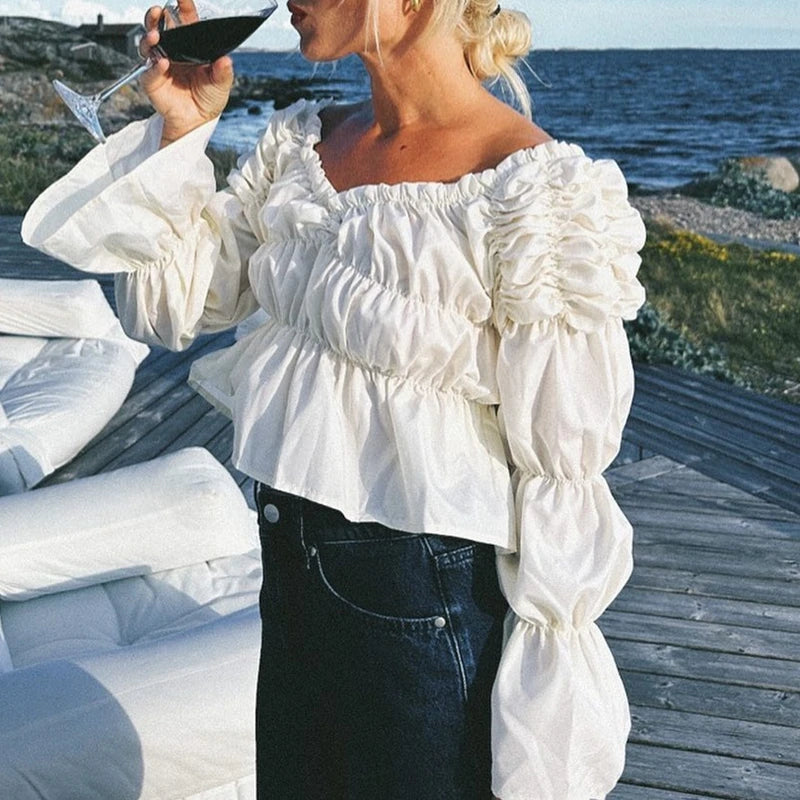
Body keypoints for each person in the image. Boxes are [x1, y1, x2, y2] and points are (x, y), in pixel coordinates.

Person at [22, 0, 647, 797]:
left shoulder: (536, 193)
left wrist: (546, 717)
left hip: (425, 602)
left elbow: (565, 466)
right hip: (287, 574)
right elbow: (174, 311)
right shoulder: (302, 145)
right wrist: (184, 131)